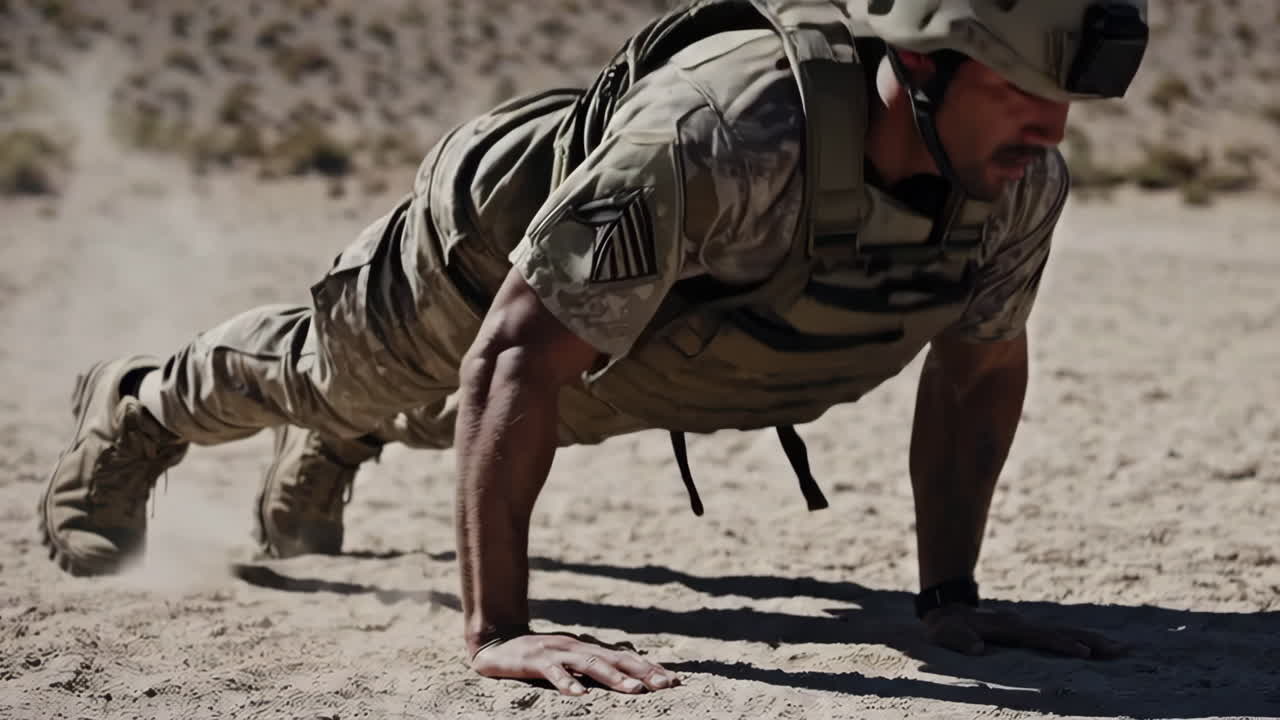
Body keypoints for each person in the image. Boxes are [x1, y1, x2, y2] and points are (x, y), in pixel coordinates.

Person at [39, 0, 1151, 696]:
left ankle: (344, 440)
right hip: (478, 252)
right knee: (341, 371)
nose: (1051, 132)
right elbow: (510, 352)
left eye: (1064, 103)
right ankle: (138, 404)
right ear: (921, 66)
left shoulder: (1013, 184)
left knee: (502, 407)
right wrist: (498, 632)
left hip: (650, 321)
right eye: (1021, 92)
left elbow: (978, 370)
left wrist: (948, 598)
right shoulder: (724, 135)